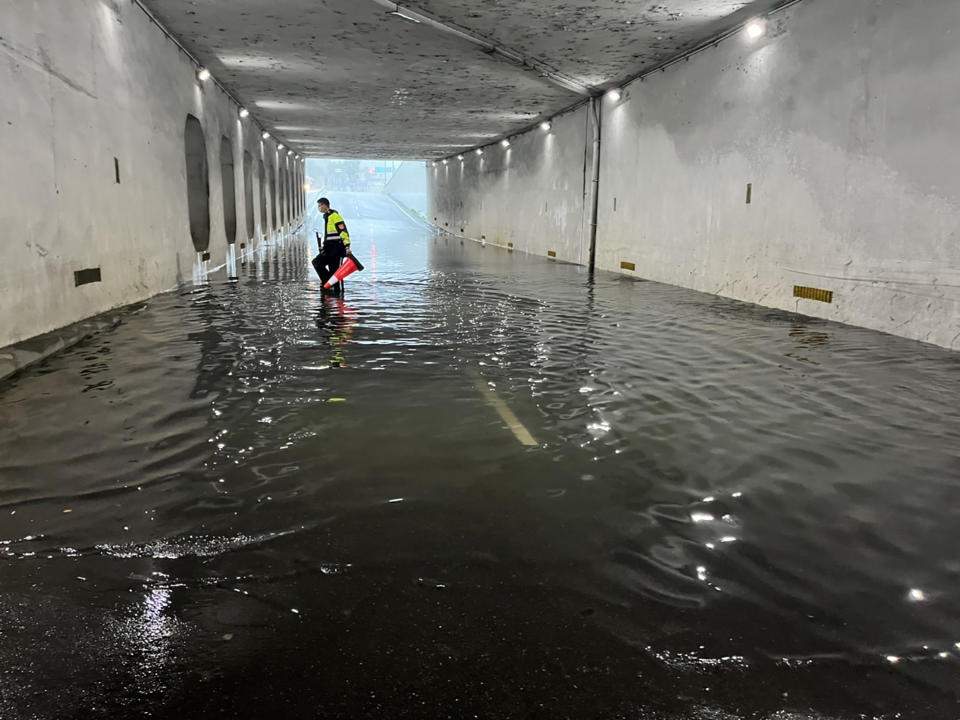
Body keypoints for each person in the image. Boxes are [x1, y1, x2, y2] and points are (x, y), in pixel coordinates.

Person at [312, 197, 353, 296]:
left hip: (337, 250)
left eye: (319, 206)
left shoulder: (335, 216)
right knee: (317, 263)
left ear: (325, 205)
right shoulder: (327, 217)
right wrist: (324, 246)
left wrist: (347, 246)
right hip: (329, 249)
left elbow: (343, 232)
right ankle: (328, 283)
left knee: (335, 271)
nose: (319, 208)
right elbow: (329, 235)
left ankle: (337, 295)